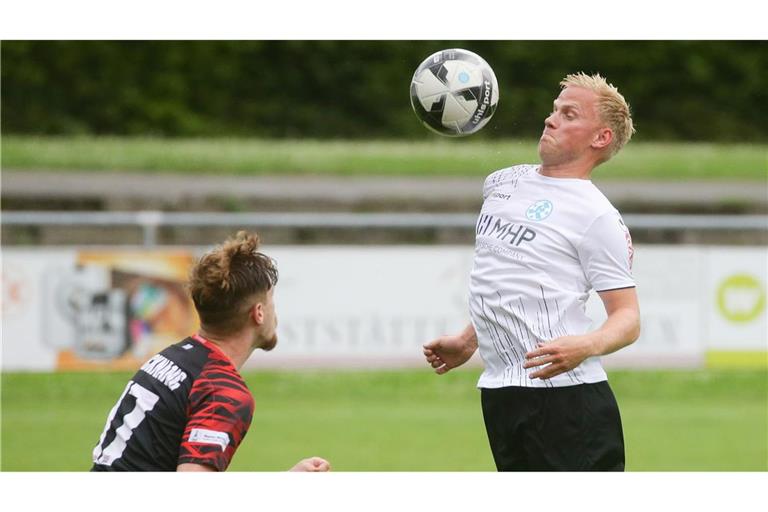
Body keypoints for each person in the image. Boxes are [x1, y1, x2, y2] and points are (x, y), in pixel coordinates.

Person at [423, 72, 640, 471]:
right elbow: (510, 278)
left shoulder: (598, 217)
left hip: (567, 401)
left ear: (600, 138)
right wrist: (469, 339)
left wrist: (587, 345)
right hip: (501, 393)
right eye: (555, 109)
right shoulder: (503, 183)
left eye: (569, 114)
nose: (550, 119)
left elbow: (627, 318)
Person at [92, 230, 330, 472]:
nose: (274, 313)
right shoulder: (223, 390)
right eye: (272, 302)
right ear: (259, 312)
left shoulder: (171, 357)